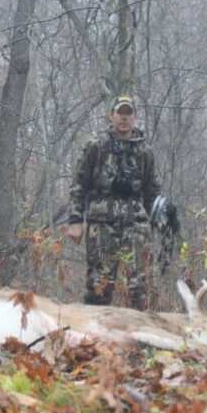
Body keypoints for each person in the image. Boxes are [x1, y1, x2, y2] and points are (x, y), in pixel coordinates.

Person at [63, 96, 161, 310]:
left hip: (135, 224)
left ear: (134, 118)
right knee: (99, 286)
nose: (124, 119)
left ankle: (140, 338)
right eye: (120, 114)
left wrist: (154, 224)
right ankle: (94, 340)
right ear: (111, 115)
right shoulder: (96, 146)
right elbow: (79, 183)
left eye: (128, 114)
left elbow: (151, 190)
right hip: (102, 224)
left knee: (141, 287)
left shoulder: (145, 151)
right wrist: (75, 220)